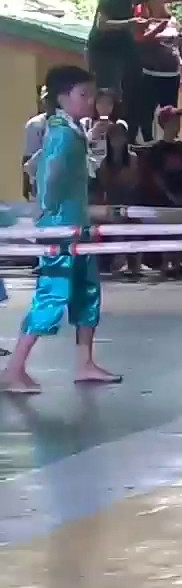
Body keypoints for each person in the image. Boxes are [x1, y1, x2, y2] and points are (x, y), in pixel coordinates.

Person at [2, 65, 121, 392]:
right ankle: (14, 369)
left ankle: (85, 363)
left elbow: (52, 171)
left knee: (87, 291)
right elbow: (49, 176)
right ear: (61, 98)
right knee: (53, 294)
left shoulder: (73, 130)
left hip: (76, 224)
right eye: (84, 94)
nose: (91, 100)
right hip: (60, 228)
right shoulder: (60, 132)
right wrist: (45, 213)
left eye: (91, 94)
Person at [144, 106, 182, 279]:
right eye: (174, 121)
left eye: (178, 121)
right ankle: (165, 261)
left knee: (180, 228)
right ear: (164, 124)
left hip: (181, 193)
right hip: (164, 198)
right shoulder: (156, 150)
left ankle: (178, 261)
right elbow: (155, 176)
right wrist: (170, 195)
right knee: (165, 229)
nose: (177, 125)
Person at [134, 0, 182, 143]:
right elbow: (142, 41)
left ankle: (171, 140)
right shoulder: (144, 22)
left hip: (172, 75)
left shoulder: (173, 22)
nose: (159, 5)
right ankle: (148, 141)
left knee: (171, 112)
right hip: (151, 74)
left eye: (162, 2)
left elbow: (181, 45)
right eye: (155, 2)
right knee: (147, 112)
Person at [98, 122, 144, 279]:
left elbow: (133, 182)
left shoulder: (132, 159)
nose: (116, 140)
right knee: (116, 219)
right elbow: (106, 185)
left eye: (119, 136)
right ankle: (121, 258)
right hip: (114, 204)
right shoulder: (105, 163)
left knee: (133, 220)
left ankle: (135, 263)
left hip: (131, 202)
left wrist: (118, 180)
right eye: (113, 137)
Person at [22, 88, 48, 200]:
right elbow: (28, 156)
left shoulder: (71, 121)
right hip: (40, 180)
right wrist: (26, 185)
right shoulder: (35, 124)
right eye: (46, 99)